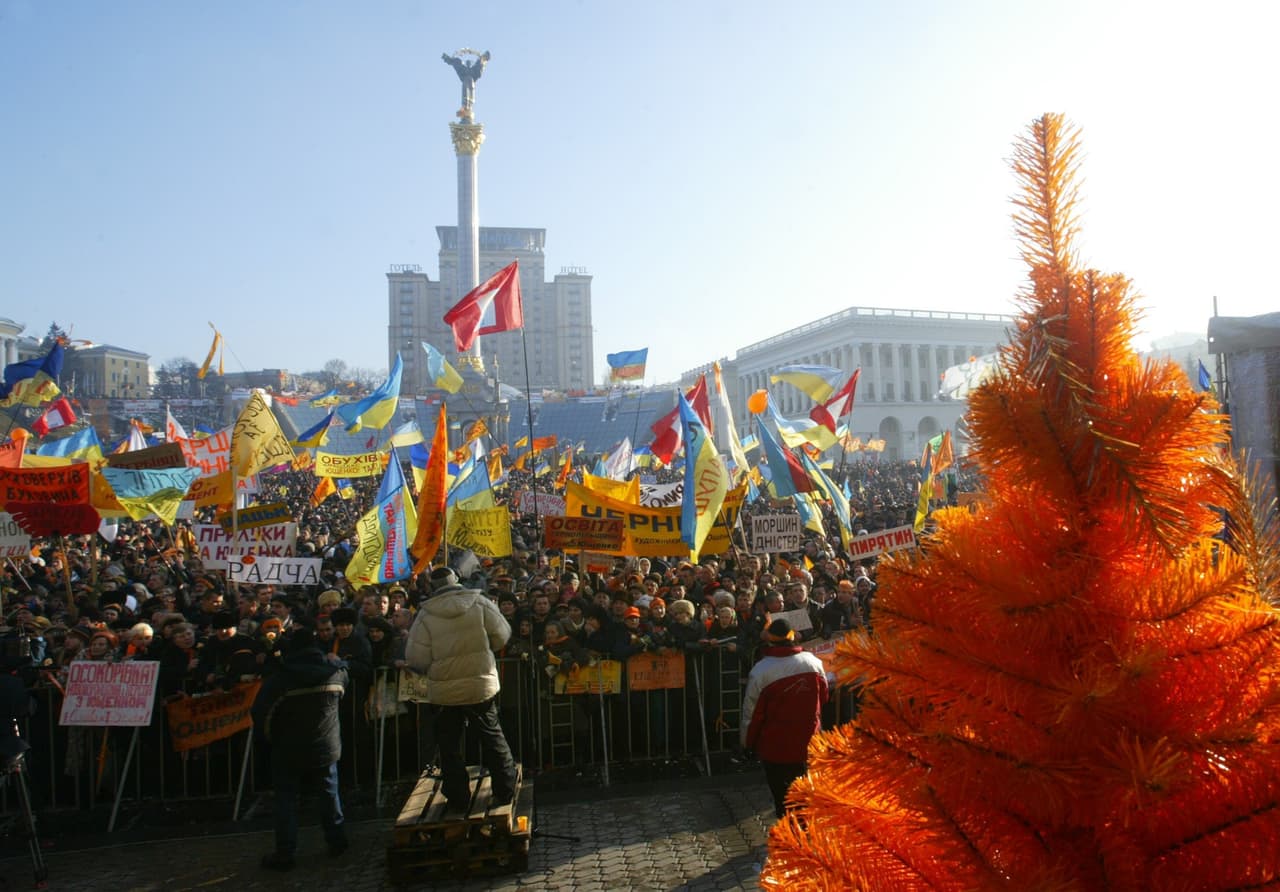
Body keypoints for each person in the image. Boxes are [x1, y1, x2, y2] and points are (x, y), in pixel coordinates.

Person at [405, 567, 518, 812]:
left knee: (449, 745)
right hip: (480, 684)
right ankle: (505, 789)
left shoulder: (425, 615)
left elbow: (417, 657)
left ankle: (458, 797)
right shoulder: (479, 602)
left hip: (445, 691)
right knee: (492, 736)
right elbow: (502, 634)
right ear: (456, 580)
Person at [252, 623, 350, 871]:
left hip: (287, 747)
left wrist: (270, 738)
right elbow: (344, 679)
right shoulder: (333, 673)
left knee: (286, 799)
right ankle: (337, 840)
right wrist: (338, 662)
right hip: (326, 745)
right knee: (328, 793)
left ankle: (285, 851)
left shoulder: (280, 679)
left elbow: (261, 713)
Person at [740, 619, 828, 819]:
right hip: (809, 740)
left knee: (782, 797)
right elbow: (824, 697)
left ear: (770, 640)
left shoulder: (761, 670)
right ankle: (806, 833)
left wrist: (747, 743)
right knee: (805, 792)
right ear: (792, 635)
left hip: (775, 745)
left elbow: (752, 714)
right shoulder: (813, 662)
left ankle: (788, 835)